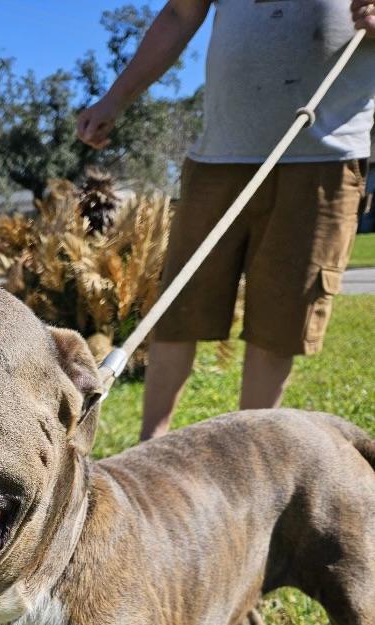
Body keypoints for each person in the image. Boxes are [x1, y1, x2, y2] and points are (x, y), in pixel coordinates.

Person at [78, 0, 375, 440]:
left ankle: (243, 461)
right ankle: (147, 451)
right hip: (219, 155)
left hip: (323, 157)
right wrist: (115, 98)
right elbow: (179, 14)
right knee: (178, 310)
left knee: (280, 321)